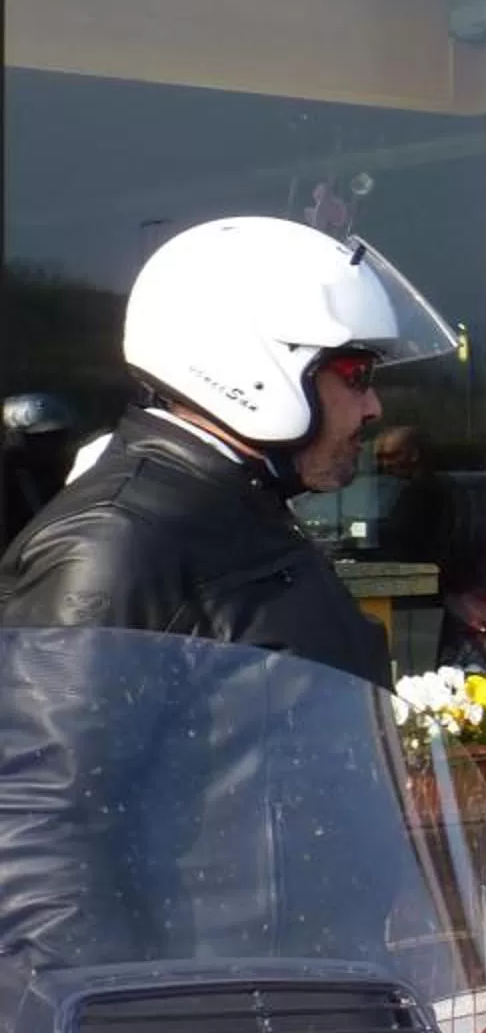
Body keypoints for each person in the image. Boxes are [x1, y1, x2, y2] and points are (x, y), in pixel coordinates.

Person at [0, 217, 459, 685]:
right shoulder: (113, 544)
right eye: (357, 376)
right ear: (251, 364)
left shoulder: (240, 507)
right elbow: (62, 732)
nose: (374, 407)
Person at [0, 393, 83, 548]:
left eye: (57, 437)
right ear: (14, 437)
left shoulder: (68, 472)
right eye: (41, 438)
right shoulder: (10, 480)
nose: (51, 446)